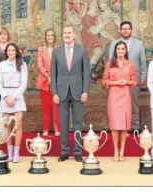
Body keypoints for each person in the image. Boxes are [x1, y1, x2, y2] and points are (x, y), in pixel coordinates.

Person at [51, 25, 91, 162]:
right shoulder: (56, 51)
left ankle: (78, 151)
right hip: (61, 92)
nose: (66, 35)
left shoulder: (82, 51)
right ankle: (64, 151)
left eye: (69, 33)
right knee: (63, 123)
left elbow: (86, 73)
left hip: (78, 92)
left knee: (78, 122)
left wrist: (85, 91)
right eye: (64, 33)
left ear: (74, 34)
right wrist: (54, 92)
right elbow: (53, 75)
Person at [107, 21, 147, 133]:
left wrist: (143, 77)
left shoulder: (139, 44)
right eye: (123, 28)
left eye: (127, 28)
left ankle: (135, 127)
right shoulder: (114, 43)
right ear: (120, 30)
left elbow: (143, 61)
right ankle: (118, 126)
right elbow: (111, 61)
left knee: (133, 104)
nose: (125, 30)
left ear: (131, 30)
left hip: (133, 80)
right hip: (117, 81)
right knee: (118, 105)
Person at [103, 41, 136, 162]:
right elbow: (105, 81)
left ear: (126, 50)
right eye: (118, 49)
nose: (121, 51)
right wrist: (116, 82)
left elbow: (133, 81)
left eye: (123, 49)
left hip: (125, 95)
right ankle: (115, 150)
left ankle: (122, 150)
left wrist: (126, 82)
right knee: (115, 125)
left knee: (123, 126)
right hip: (114, 95)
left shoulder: (130, 64)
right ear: (115, 50)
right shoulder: (110, 64)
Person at [0, 43, 29, 163]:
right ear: (6, 53)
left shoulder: (22, 64)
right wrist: (6, 97)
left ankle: (16, 153)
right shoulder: (2, 65)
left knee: (18, 124)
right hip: (5, 98)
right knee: (7, 126)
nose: (11, 52)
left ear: (16, 51)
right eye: (9, 50)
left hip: (17, 97)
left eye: (13, 50)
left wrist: (14, 97)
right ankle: (9, 152)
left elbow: (23, 83)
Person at [36, 29, 60, 137]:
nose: (50, 37)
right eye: (48, 35)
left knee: (56, 108)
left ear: (54, 37)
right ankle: (45, 129)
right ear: (45, 37)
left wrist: (53, 78)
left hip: (57, 82)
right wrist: (47, 76)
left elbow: (62, 66)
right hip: (44, 82)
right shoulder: (41, 49)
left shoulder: (59, 49)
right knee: (45, 108)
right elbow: (40, 65)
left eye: (52, 35)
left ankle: (57, 129)